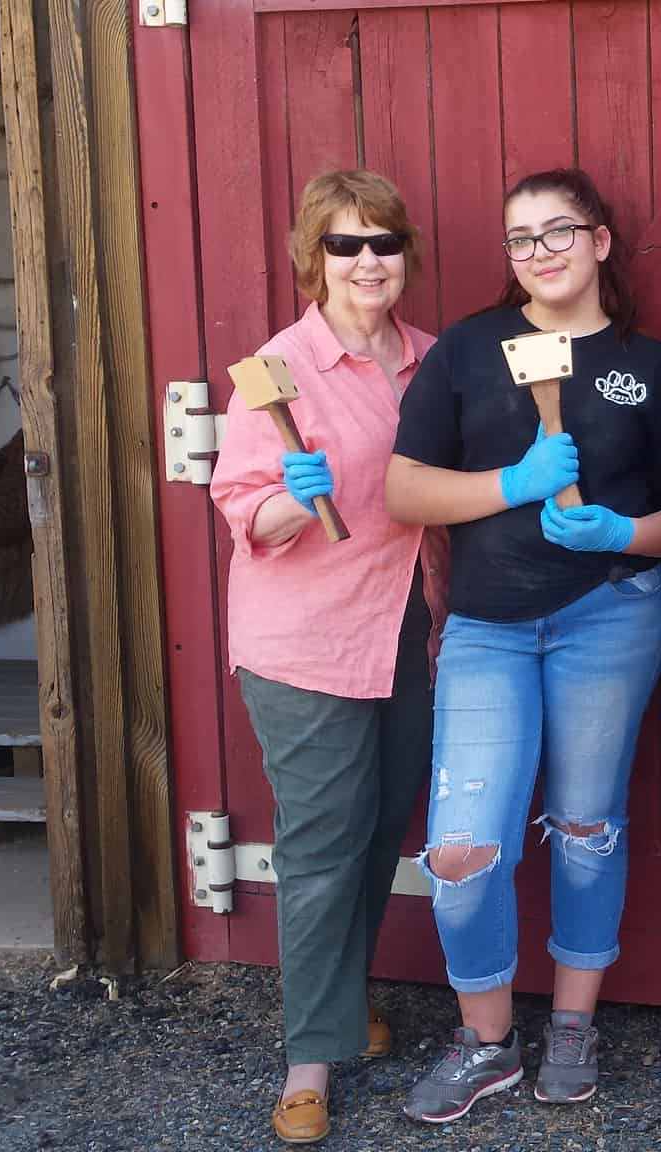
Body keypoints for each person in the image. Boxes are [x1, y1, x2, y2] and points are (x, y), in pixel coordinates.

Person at [384, 168, 661, 1122]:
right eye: (520, 238)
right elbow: (405, 492)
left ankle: (571, 1022)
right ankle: (487, 1040)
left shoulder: (647, 366)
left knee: (586, 826)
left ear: (601, 240)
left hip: (612, 612)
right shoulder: (469, 352)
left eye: (557, 231)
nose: (539, 252)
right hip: (487, 627)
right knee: (461, 851)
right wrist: (514, 483)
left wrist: (621, 532)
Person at [208, 168, 441, 1145]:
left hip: (403, 629)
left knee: (381, 826)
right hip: (304, 645)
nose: (366, 262)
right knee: (318, 845)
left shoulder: (431, 360)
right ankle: (309, 1057)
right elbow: (241, 510)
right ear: (317, 257)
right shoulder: (280, 370)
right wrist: (286, 497)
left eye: (382, 242)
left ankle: (340, 1005)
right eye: (345, 245)